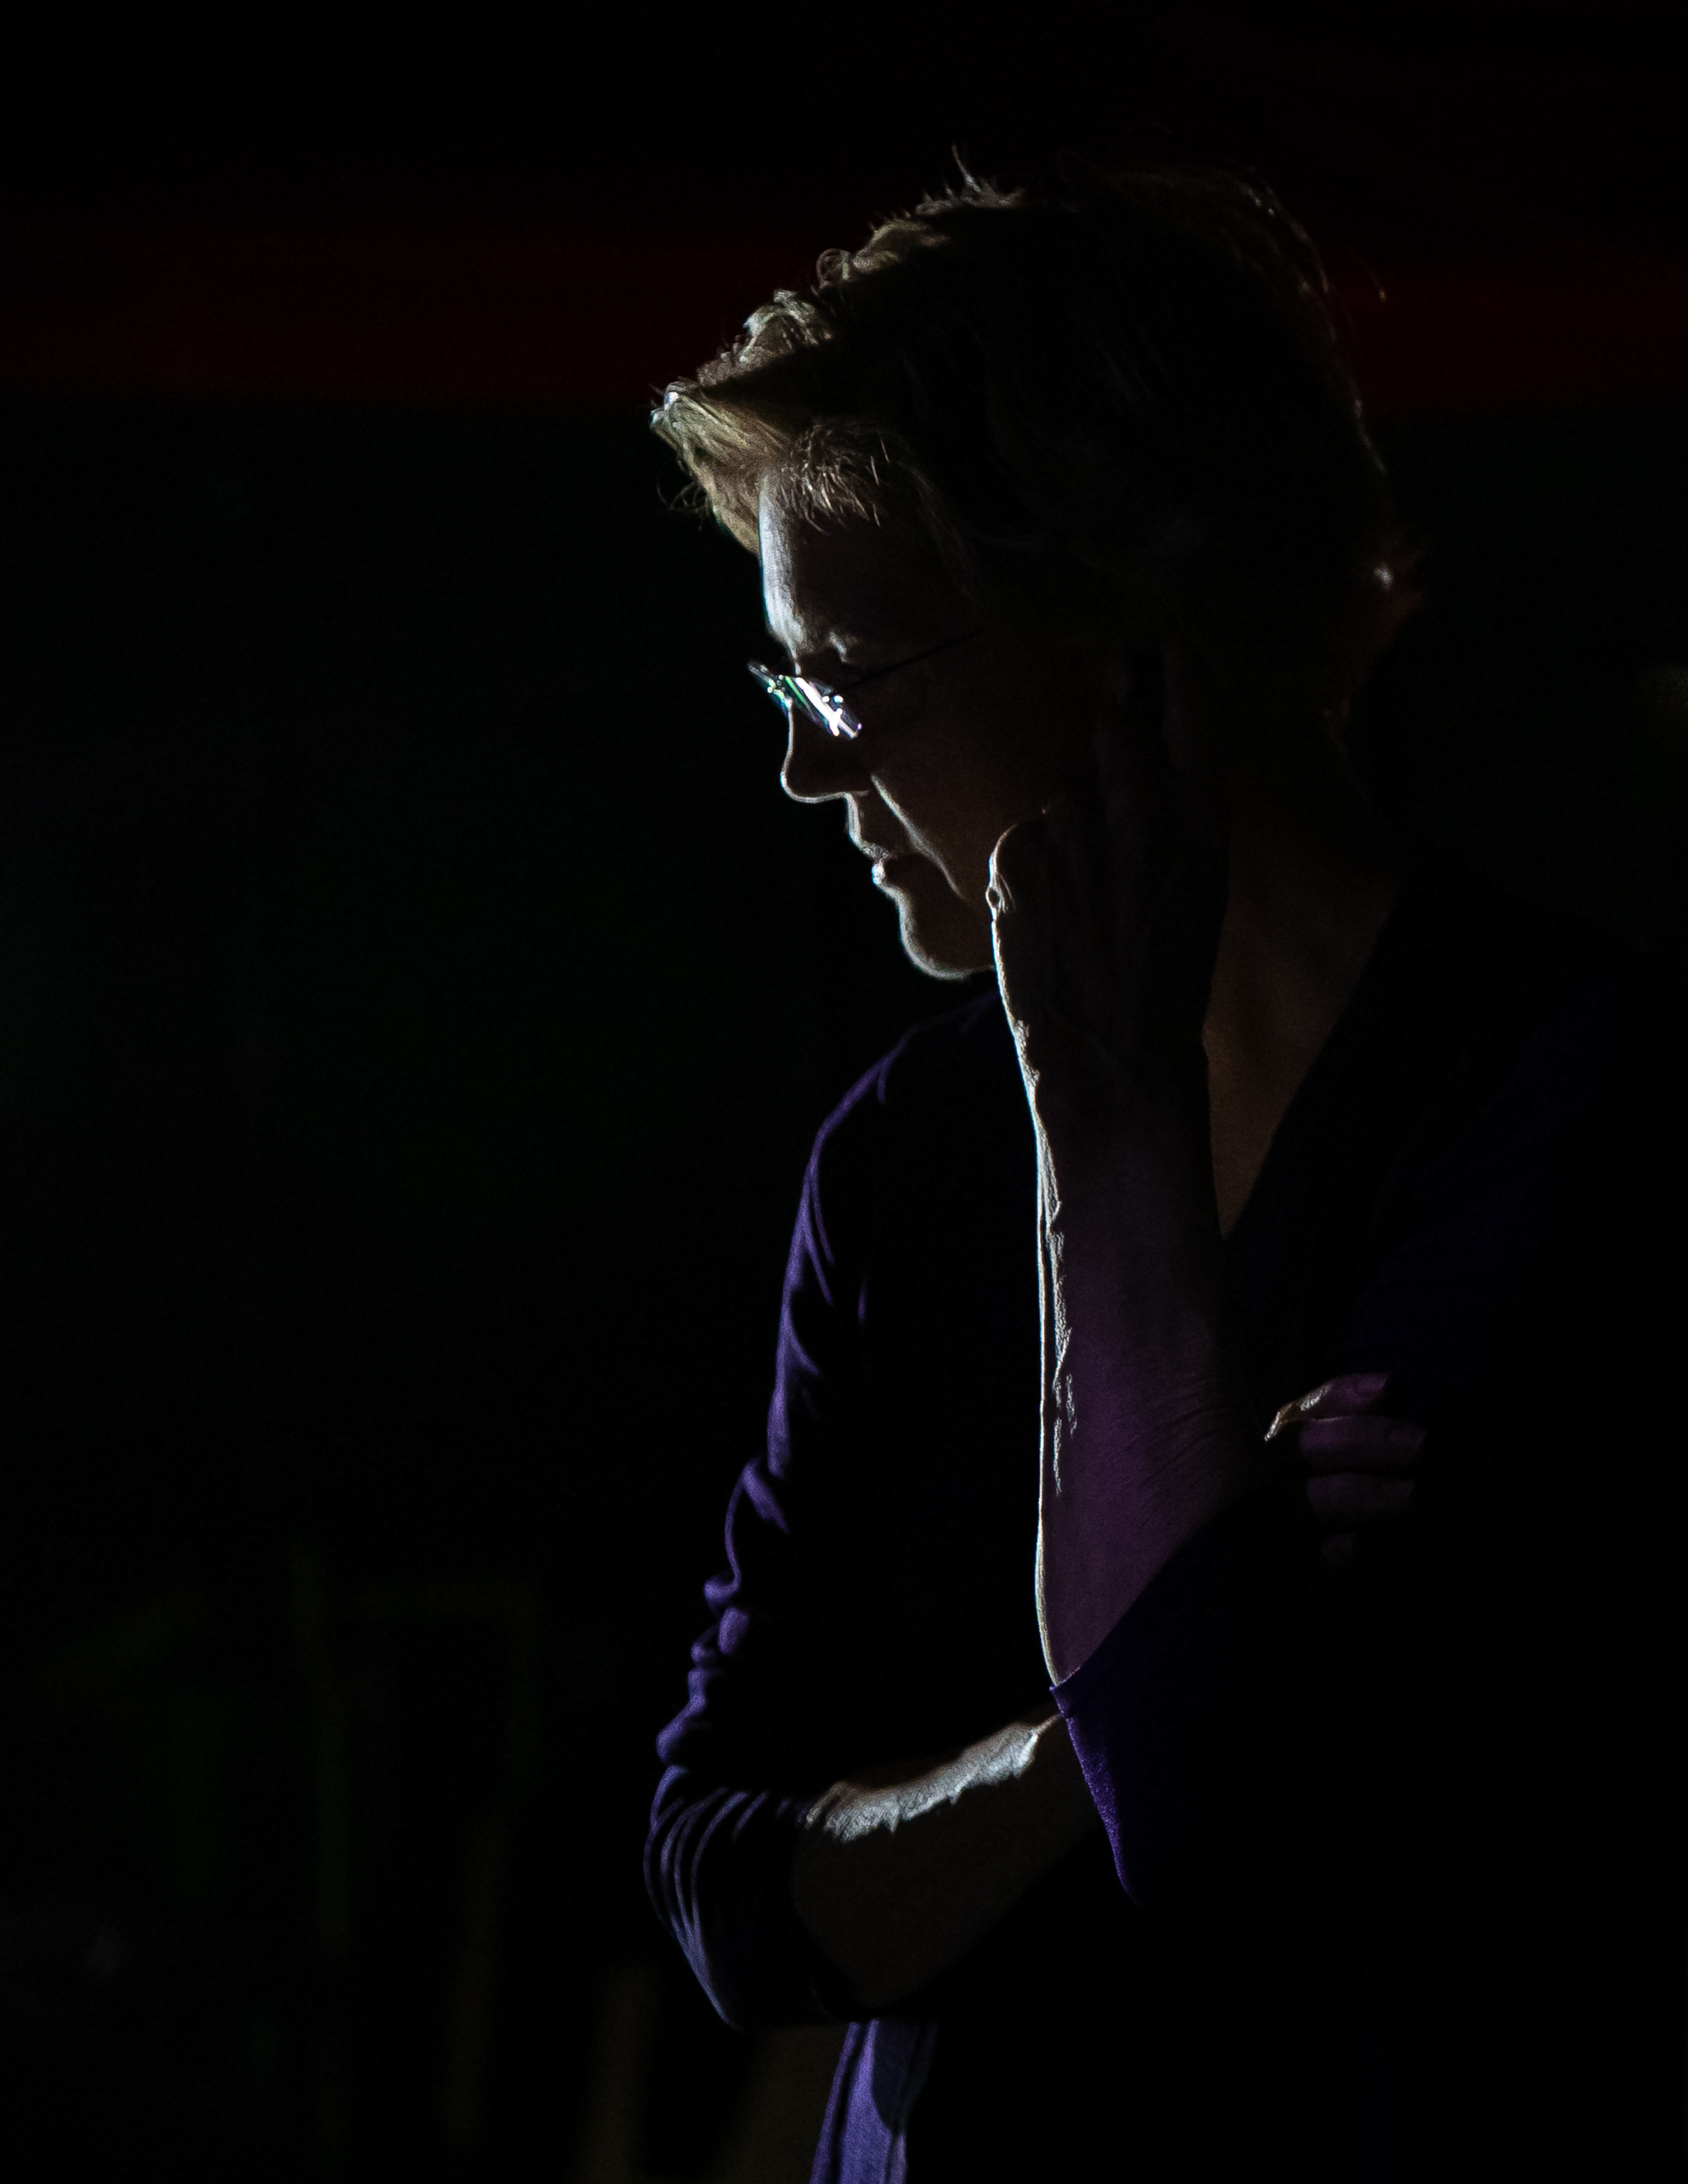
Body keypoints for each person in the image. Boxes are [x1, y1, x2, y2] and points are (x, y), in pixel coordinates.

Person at [644, 165, 1684, 2179]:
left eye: (850, 679)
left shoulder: (1575, 1109)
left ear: (1122, 642)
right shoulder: (905, 1156)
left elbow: (1212, 1804)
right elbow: (722, 1885)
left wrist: (1111, 1123)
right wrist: (1064, 1755)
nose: (807, 768)